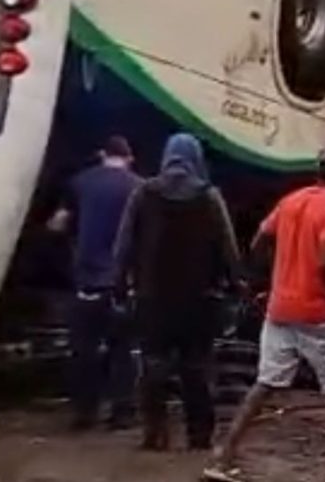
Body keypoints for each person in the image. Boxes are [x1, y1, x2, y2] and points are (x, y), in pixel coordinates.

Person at [204, 146, 325, 482]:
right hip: (321, 312)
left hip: (280, 307)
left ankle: (223, 458)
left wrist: (265, 280)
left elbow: (258, 242)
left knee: (265, 383)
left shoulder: (291, 201)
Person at [115, 133, 245, 451]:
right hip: (199, 299)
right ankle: (199, 436)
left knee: (153, 365)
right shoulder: (209, 196)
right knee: (197, 368)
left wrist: (119, 284)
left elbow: (124, 244)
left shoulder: (143, 193)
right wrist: (235, 283)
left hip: (151, 296)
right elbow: (228, 248)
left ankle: (155, 433)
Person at [47, 135, 142, 431]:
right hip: (121, 283)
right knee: (122, 349)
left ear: (102, 154)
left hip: (86, 280)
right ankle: (122, 412)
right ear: (129, 158)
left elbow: (58, 223)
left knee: (83, 349)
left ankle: (84, 414)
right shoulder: (140, 187)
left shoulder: (79, 182)